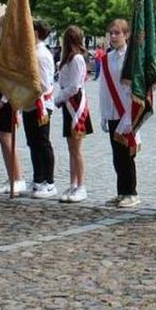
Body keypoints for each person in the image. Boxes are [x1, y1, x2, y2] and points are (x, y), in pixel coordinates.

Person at [96, 18, 140, 208]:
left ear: (126, 35)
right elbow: (104, 88)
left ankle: (131, 192)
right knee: (117, 155)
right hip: (113, 112)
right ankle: (121, 191)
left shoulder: (132, 58)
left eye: (117, 33)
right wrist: (104, 114)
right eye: (111, 33)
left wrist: (132, 113)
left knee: (127, 154)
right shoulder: (107, 58)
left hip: (128, 112)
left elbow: (138, 87)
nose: (113, 36)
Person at [53, 24, 92, 203]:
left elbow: (75, 85)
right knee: (71, 148)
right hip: (68, 103)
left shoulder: (77, 59)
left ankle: (81, 185)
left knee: (76, 149)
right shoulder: (67, 60)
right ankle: (73, 183)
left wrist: (59, 98)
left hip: (76, 105)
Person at [22, 19, 57, 199]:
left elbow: (43, 83)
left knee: (42, 142)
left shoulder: (41, 54)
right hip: (29, 102)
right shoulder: (32, 52)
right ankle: (38, 179)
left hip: (41, 103)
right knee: (32, 143)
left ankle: (49, 182)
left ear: (36, 33)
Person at [0, 86, 24, 195]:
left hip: (9, 99)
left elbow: (12, 81)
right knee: (3, 140)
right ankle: (11, 177)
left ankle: (17, 178)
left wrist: (2, 102)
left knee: (7, 140)